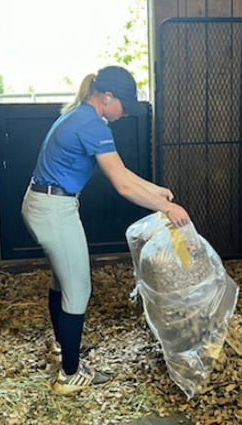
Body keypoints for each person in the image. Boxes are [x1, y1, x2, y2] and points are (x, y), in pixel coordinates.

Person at [21, 65, 191, 395]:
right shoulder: (90, 123)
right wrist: (168, 208)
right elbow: (122, 186)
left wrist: (155, 190)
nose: (125, 113)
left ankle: (63, 347)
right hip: (54, 209)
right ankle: (69, 374)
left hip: (43, 204)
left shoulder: (79, 115)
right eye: (123, 106)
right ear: (107, 97)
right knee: (78, 289)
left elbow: (122, 172)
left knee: (62, 281)